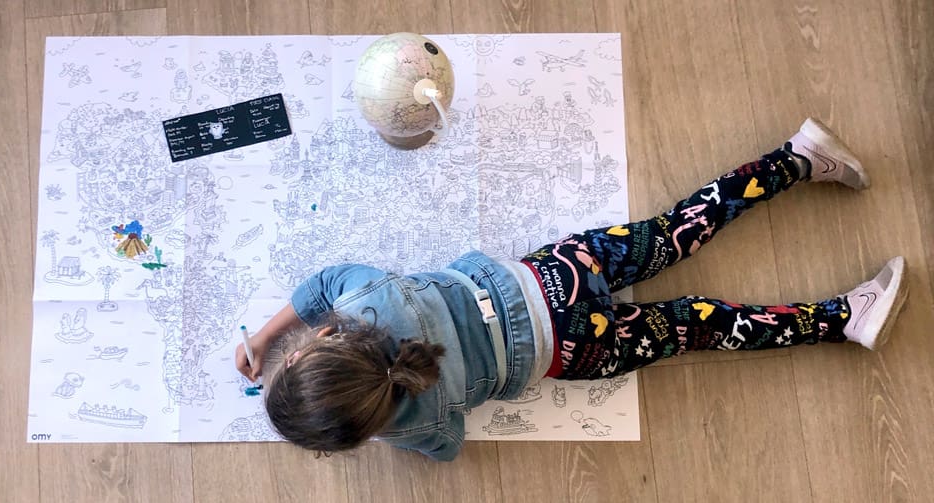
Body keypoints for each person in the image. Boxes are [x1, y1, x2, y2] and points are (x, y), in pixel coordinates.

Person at [236, 118, 909, 461]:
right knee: (675, 231)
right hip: (554, 273)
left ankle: (843, 317)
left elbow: (450, 449)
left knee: (693, 322)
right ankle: (797, 155)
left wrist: (377, 426)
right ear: (317, 340)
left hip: (573, 349)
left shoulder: (404, 420)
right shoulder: (361, 301)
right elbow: (321, 282)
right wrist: (266, 335)